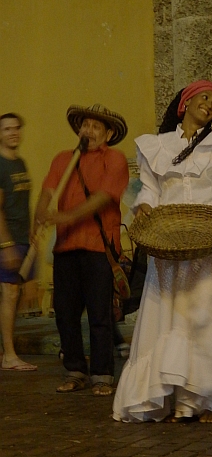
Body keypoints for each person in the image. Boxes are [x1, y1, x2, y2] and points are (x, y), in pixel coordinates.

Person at [113, 79, 212, 423]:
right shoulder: (156, 145)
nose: (210, 105)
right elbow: (149, 190)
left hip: (209, 245)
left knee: (203, 319)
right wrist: (143, 207)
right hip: (169, 245)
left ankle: (203, 403)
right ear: (185, 103)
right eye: (204, 98)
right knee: (169, 318)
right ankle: (171, 399)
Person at [34, 104, 129, 395]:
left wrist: (68, 216)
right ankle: (74, 370)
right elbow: (48, 191)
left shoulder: (115, 159)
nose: (88, 131)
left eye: (95, 126)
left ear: (108, 133)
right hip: (65, 248)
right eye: (85, 125)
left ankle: (102, 376)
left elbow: (102, 197)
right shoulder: (63, 159)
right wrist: (39, 214)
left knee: (100, 316)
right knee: (65, 314)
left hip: (98, 248)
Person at [0, 113, 37, 371]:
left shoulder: (20, 163)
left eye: (16, 128)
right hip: (7, 240)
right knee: (9, 295)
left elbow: (24, 203)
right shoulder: (0, 164)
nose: (13, 132)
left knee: (14, 296)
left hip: (22, 238)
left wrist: (32, 232)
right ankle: (10, 356)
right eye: (6, 129)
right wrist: (6, 245)